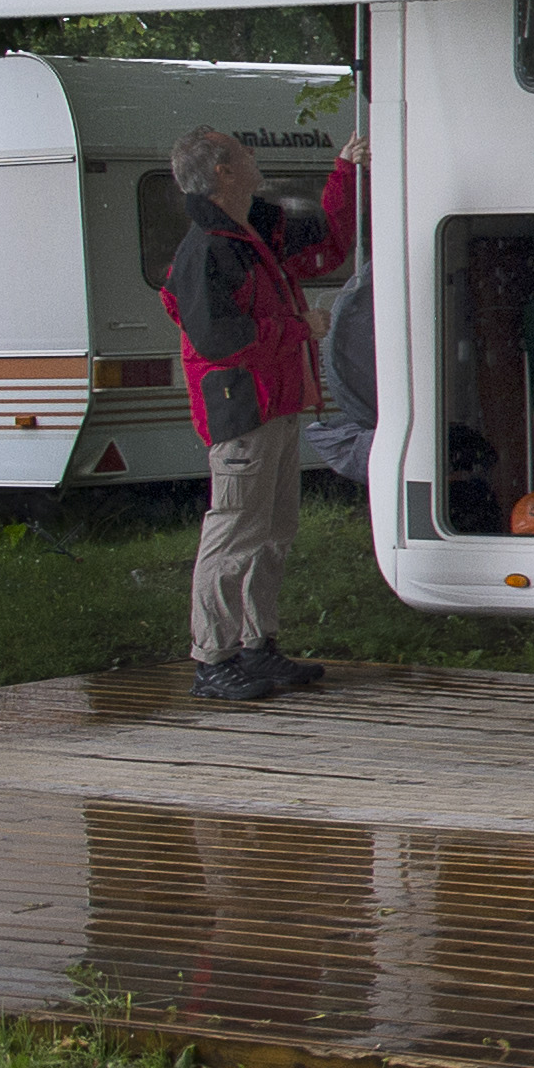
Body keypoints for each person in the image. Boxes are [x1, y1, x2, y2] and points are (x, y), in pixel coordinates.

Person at [162, 127, 362, 702]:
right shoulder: (205, 249)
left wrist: (346, 173)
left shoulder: (253, 230)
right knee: (233, 533)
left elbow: (328, 243)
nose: (255, 159)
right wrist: (300, 327)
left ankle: (256, 646)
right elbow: (218, 337)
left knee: (272, 532)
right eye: (244, 153)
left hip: (274, 403)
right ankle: (212, 658)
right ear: (223, 171)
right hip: (241, 409)